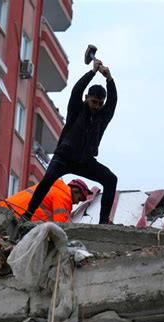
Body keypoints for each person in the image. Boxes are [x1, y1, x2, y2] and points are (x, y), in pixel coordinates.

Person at [23, 59, 117, 224]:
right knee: (47, 181)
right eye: (94, 102)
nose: (96, 106)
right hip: (64, 157)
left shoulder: (103, 116)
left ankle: (103, 222)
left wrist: (109, 78)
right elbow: (77, 90)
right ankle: (27, 214)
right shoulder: (76, 109)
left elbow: (112, 102)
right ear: (87, 98)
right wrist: (92, 72)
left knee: (111, 179)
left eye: (100, 104)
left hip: (85, 161)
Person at [0, 179, 92, 223]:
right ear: (75, 191)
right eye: (79, 199)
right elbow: (61, 226)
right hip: (14, 218)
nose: (77, 203)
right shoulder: (63, 197)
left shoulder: (53, 187)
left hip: (3, 210)